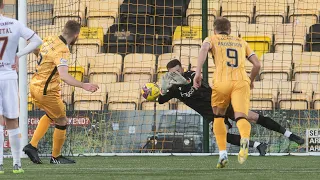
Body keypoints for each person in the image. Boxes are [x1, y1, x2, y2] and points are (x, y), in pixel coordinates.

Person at [158, 60, 304, 155]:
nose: (176, 74)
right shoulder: (174, 90)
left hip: (222, 103)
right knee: (223, 135)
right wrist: (162, 90)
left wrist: (185, 82)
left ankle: (291, 135)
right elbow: (160, 100)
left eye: (177, 71)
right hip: (211, 114)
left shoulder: (191, 74)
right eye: (173, 73)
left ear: (182, 68)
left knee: (253, 117)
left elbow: (200, 81)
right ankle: (259, 145)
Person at [22, 20, 99, 164]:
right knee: (62, 121)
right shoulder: (63, 50)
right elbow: (64, 75)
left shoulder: (50, 39)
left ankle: (32, 146)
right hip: (47, 90)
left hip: (35, 85)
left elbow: (36, 50)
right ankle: (55, 157)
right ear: (76, 35)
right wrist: (84, 85)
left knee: (51, 115)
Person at [193, 17, 261, 167]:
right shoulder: (241, 41)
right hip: (241, 82)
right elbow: (257, 64)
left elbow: (204, 49)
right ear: (230, 30)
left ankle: (222, 154)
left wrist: (198, 72)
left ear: (214, 29)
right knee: (241, 117)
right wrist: (251, 80)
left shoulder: (211, 39)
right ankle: (245, 139)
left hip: (221, 83)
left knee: (218, 117)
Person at [0, 0, 43, 174]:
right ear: (2, 5)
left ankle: (0, 165)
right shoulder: (14, 24)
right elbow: (37, 41)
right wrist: (18, 55)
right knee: (12, 120)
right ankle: (17, 164)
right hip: (9, 76)